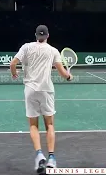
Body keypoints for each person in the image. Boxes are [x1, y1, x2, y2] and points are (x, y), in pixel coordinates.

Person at [9, 25, 73, 174]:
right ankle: (51, 158)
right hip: (46, 90)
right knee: (49, 124)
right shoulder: (53, 51)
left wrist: (14, 74)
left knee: (33, 125)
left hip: (30, 90)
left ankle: (39, 155)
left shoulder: (26, 47)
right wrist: (70, 77)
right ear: (48, 36)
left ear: (36, 35)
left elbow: (13, 63)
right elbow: (63, 74)